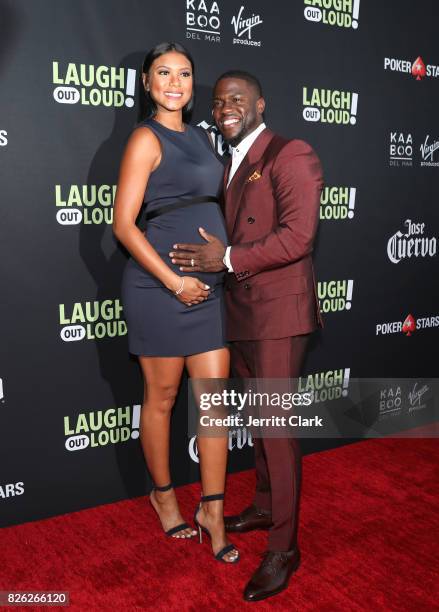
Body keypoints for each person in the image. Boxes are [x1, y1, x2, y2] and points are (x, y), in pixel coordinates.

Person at [170, 70, 323, 599]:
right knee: (261, 422)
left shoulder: (291, 152)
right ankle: (264, 503)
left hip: (278, 315)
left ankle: (285, 547)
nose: (224, 108)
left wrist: (228, 258)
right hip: (241, 313)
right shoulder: (230, 161)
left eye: (235, 99)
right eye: (217, 103)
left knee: (277, 429)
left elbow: (299, 237)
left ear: (261, 103)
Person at [113, 43, 238, 563]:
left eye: (184, 74)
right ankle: (164, 498)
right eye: (163, 73)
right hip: (158, 288)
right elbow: (123, 225)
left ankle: (212, 508)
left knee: (213, 405)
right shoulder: (145, 138)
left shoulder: (206, 139)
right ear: (147, 82)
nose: (174, 82)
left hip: (206, 291)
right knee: (161, 398)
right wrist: (172, 281)